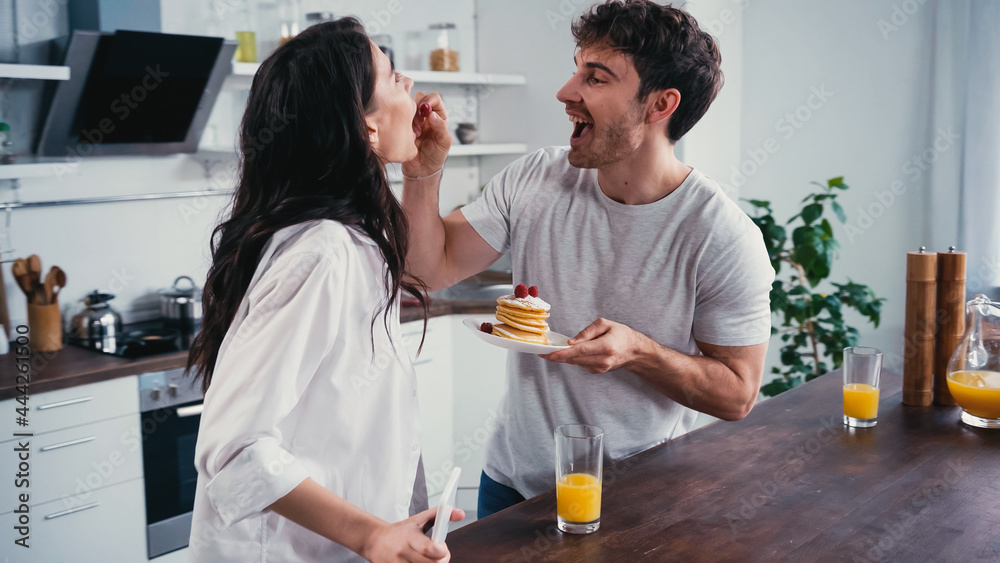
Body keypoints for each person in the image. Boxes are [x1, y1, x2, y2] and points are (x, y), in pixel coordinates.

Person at [401, 0, 774, 518]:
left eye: (595, 78)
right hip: (510, 486)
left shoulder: (720, 235)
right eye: (578, 70)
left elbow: (737, 395)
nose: (565, 92)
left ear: (660, 104)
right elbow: (427, 269)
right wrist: (422, 172)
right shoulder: (536, 178)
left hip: (637, 497)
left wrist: (640, 352)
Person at [185, 18, 461, 562]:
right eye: (390, 77)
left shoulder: (346, 241)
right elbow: (234, 449)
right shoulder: (322, 253)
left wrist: (392, 527)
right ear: (366, 129)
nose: (409, 83)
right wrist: (370, 534)